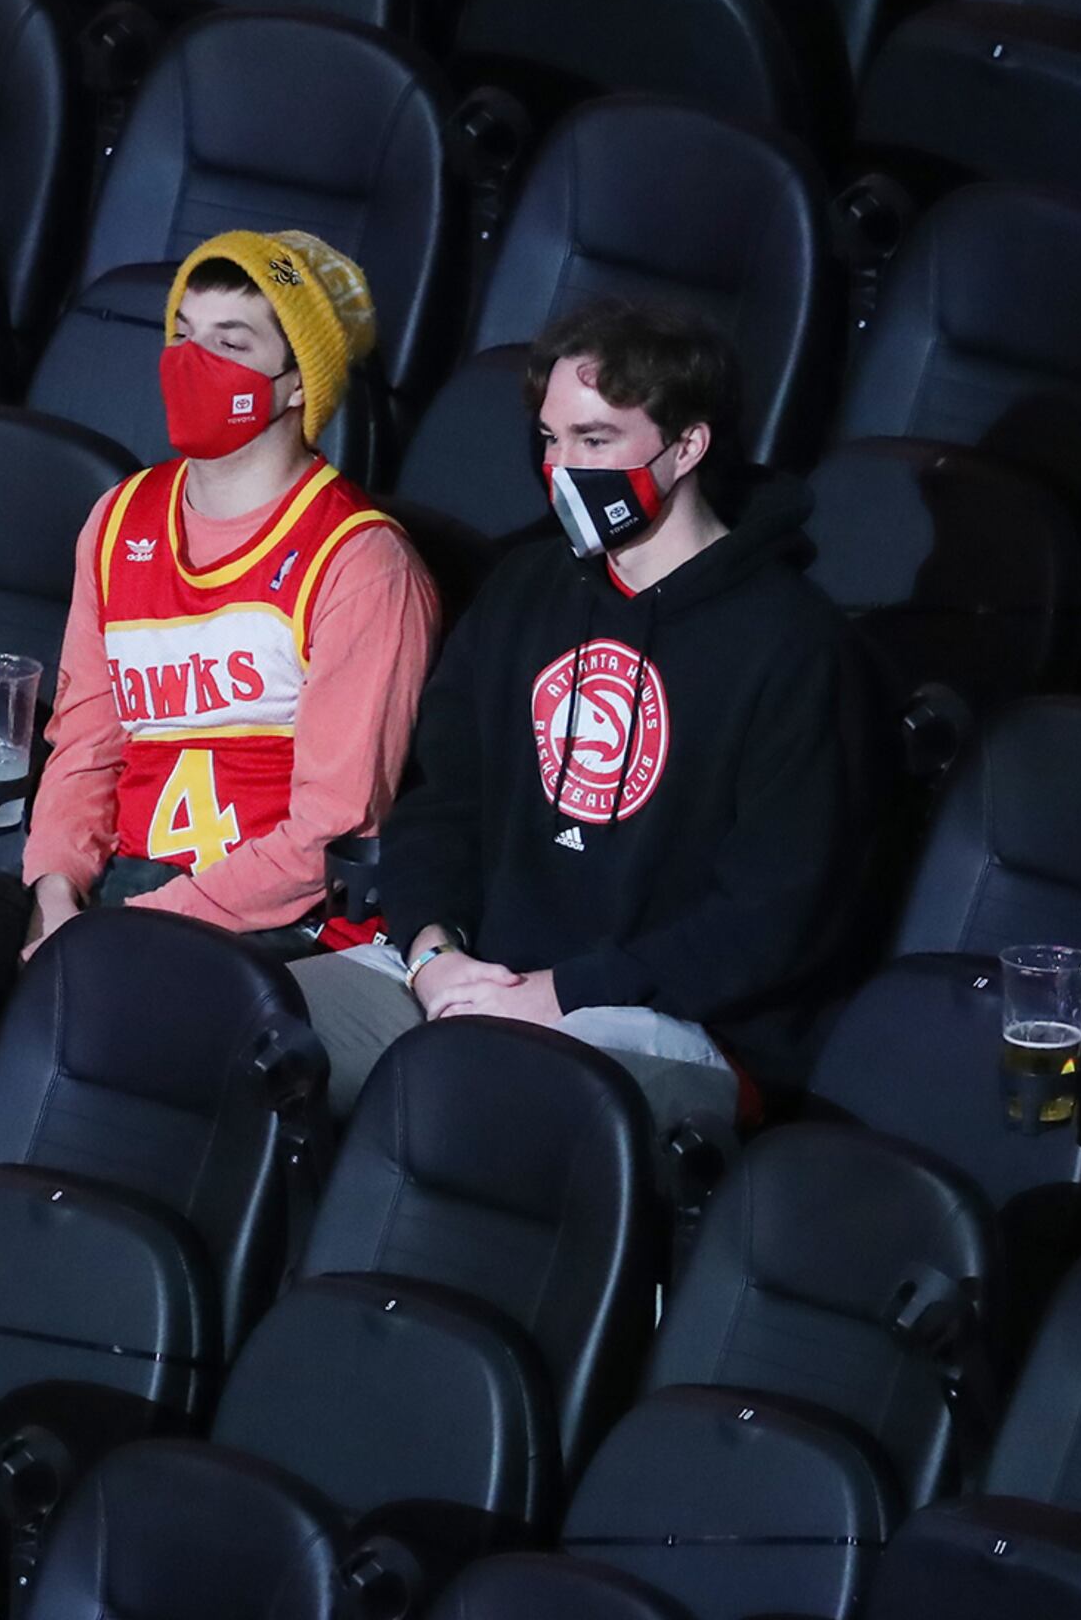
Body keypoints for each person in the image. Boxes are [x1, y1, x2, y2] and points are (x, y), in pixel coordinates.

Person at [291, 296, 872, 1141]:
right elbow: (441, 802)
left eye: (595, 441)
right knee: (239, 1025)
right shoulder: (524, 589)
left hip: (674, 1025)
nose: (563, 469)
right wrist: (432, 954)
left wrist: (558, 993)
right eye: (552, 440)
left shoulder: (795, 647)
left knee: (486, 1098)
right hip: (465, 979)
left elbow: (772, 918)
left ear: (688, 446)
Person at [0, 231, 440, 1057]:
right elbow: (86, 739)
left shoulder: (363, 562)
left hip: (266, 926)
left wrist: (128, 930)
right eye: (182, 336)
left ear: (298, 380)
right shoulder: (119, 517)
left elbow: (329, 832)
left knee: (100, 1029)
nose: (192, 362)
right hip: (112, 890)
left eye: (230, 344)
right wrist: (56, 892)